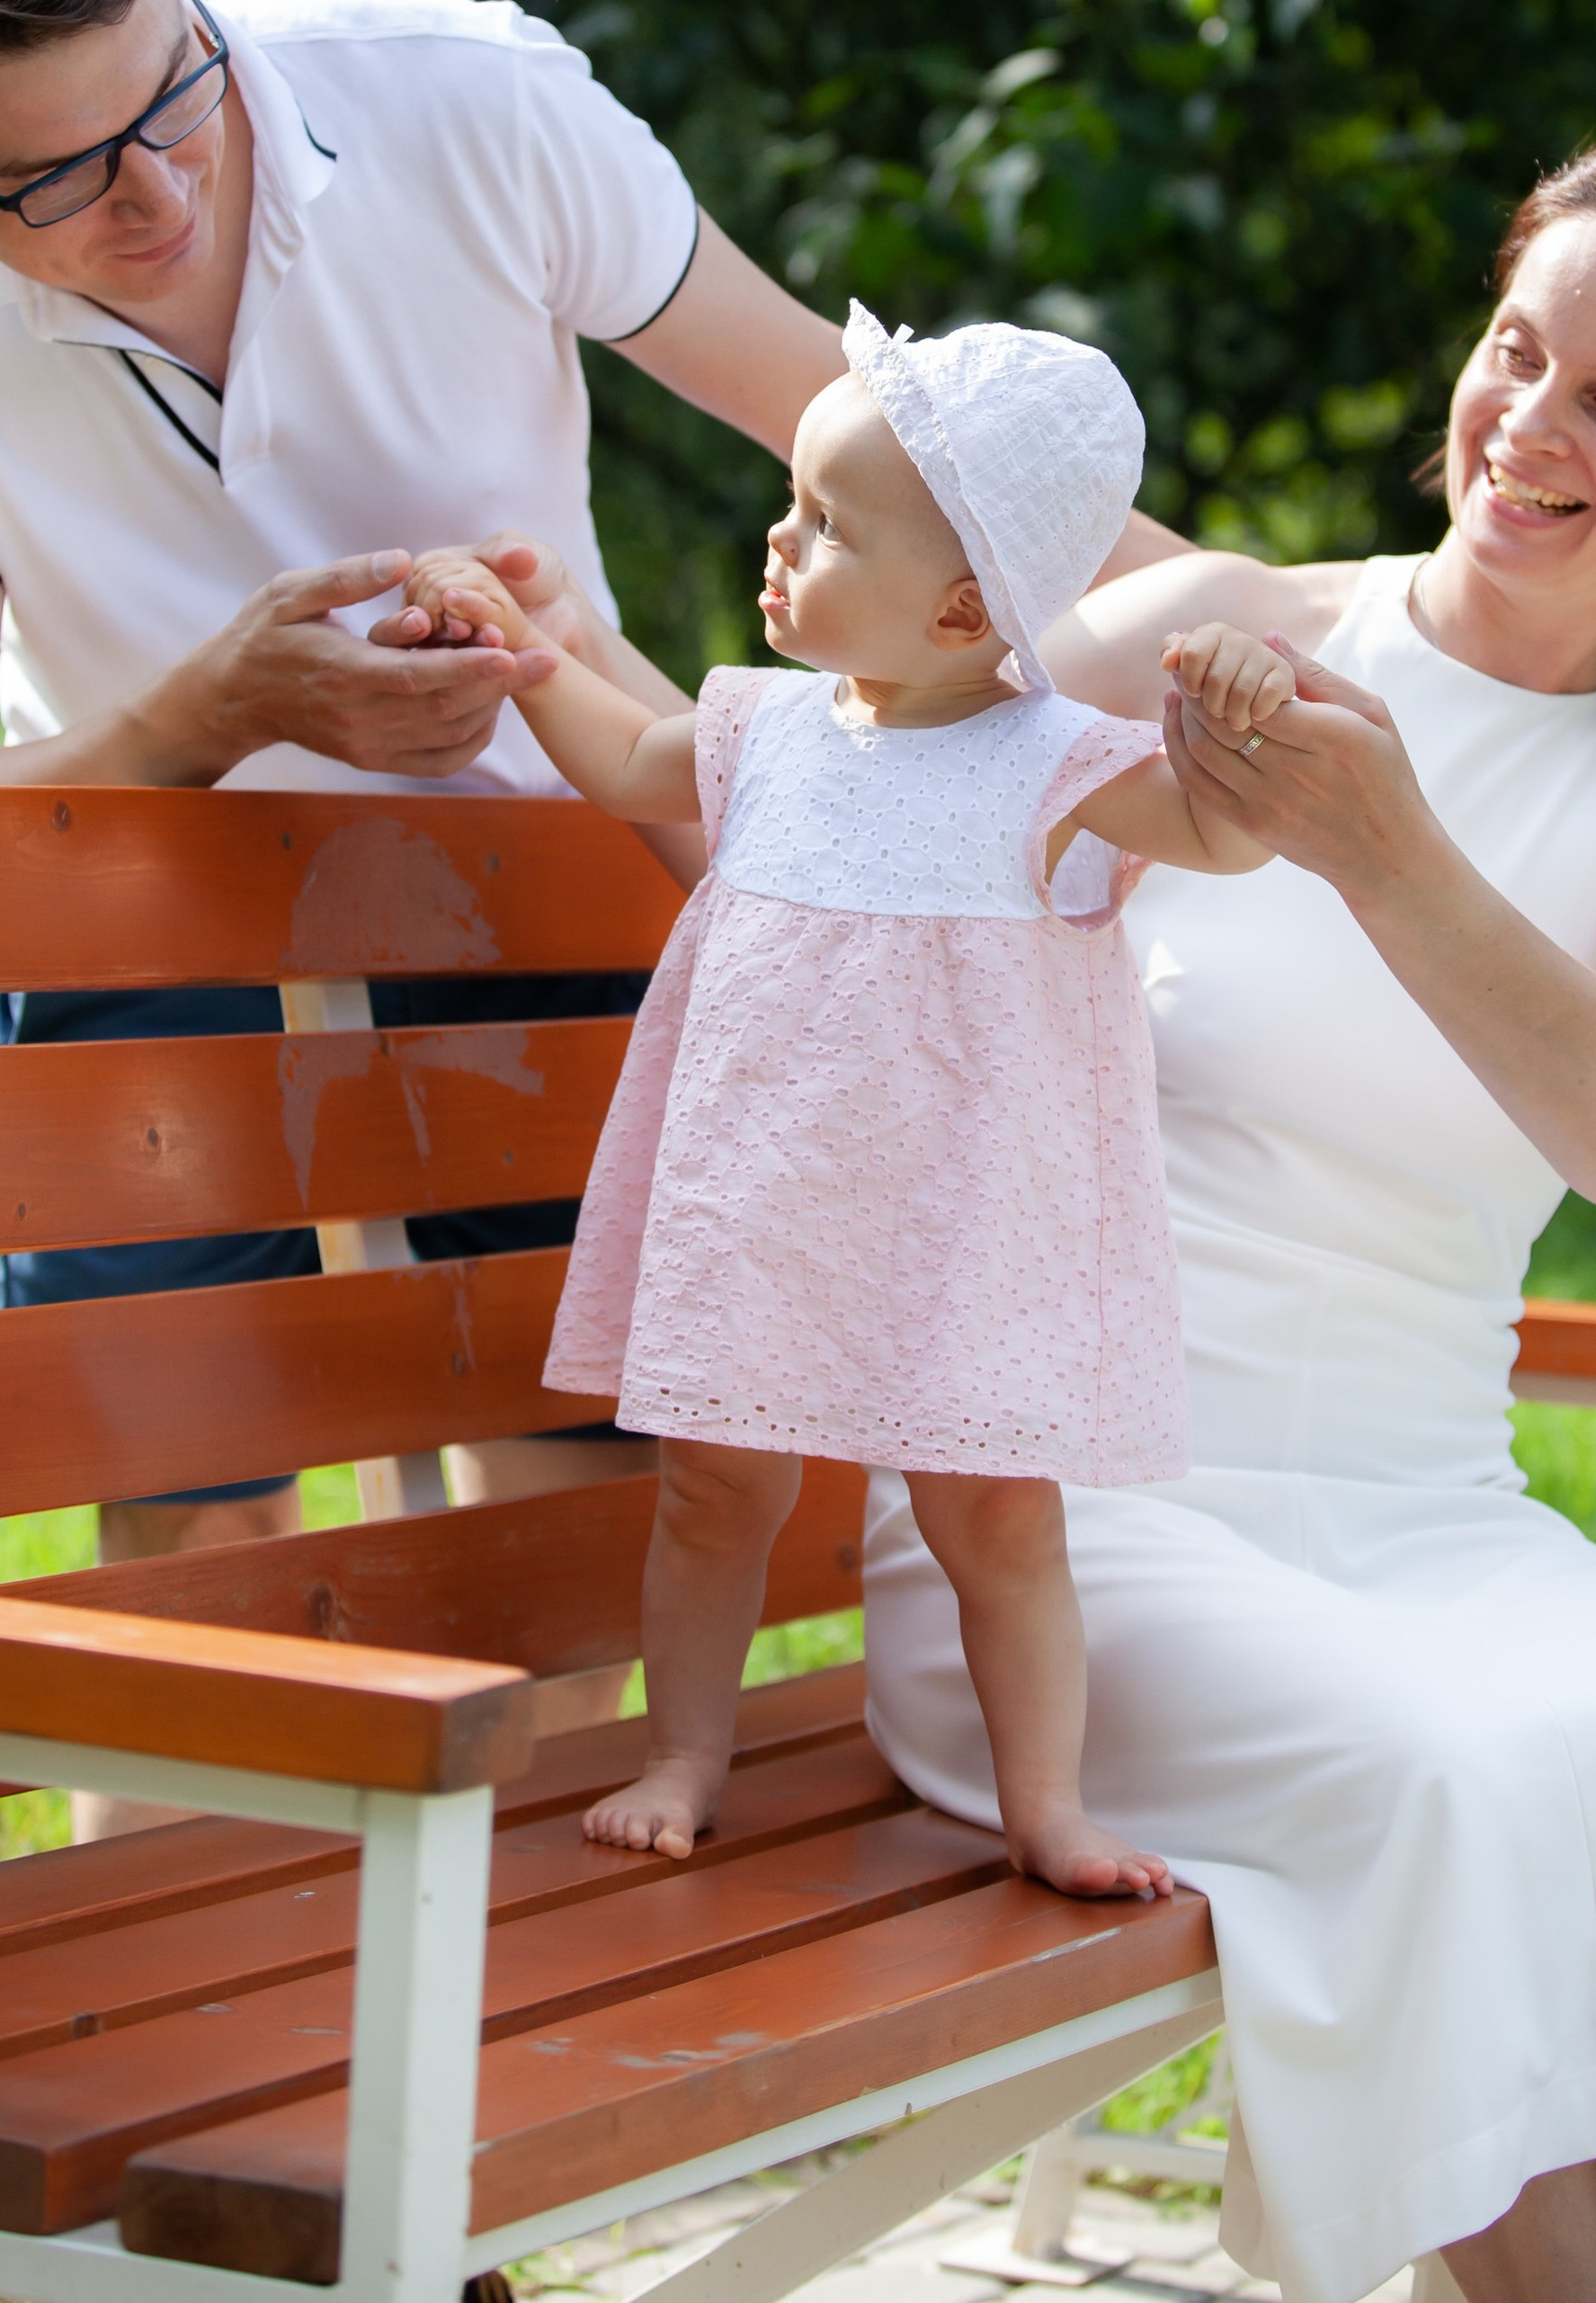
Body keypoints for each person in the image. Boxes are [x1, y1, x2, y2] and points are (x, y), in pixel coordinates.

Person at [860, 138, 1596, 2303]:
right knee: (1457, 1783)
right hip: (1062, 1526)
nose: (1524, 425)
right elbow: (857, 756)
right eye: (1517, 351)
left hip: (1429, 1512)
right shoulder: (1208, 637)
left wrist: (1382, 850)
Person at [0, 0, 868, 1577]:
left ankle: (536, 1852)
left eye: (173, 91)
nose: (162, 191)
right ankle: (199, 1855)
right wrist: (214, 711)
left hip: (545, 852)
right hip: (147, 899)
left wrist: (1234, 608)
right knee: (194, 1505)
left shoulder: (466, 97)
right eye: (56, 178)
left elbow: (848, 428)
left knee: (575, 1501)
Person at [396, 308, 1296, 1895]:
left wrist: (1235, 712)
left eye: (826, 521)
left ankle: (1049, 1809)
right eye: (796, 501)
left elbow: (1227, 838)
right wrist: (519, 656)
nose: (780, 533)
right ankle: (684, 1754)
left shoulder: (1064, 768)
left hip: (960, 1220)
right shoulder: (765, 730)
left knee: (996, 1522)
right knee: (712, 1486)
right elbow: (618, 762)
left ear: (962, 604)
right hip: (766, 1194)